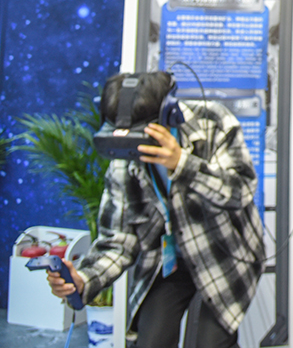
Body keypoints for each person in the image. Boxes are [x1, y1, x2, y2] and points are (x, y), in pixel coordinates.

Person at [46, 71, 264, 348]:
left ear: (169, 115)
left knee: (209, 342)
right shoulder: (123, 157)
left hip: (224, 253)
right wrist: (84, 279)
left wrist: (183, 164)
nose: (131, 147)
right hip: (168, 261)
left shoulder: (213, 121)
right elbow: (117, 241)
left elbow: (241, 190)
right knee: (150, 341)